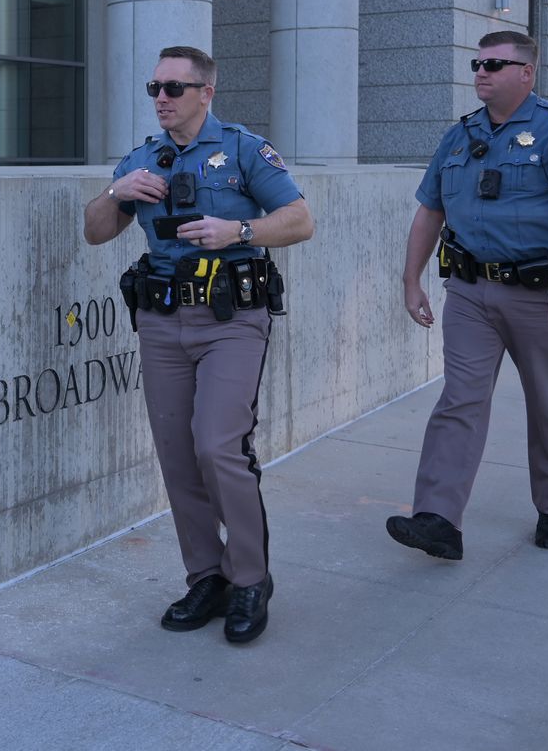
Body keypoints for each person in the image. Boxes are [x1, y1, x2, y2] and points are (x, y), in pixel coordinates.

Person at [82, 46, 314, 645]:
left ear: (205, 93)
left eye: (175, 88)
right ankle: (205, 576)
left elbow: (299, 218)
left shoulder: (242, 149)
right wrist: (115, 192)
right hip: (160, 322)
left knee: (218, 446)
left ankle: (250, 579)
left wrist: (237, 230)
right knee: (177, 455)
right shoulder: (143, 158)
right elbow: (95, 232)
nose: (162, 97)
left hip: (232, 319)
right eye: (155, 86)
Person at [389, 31, 548, 561]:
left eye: (495, 64)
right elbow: (430, 210)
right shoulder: (460, 135)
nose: (482, 72)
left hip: (541, 294)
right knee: (460, 400)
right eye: (477, 63)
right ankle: (438, 519)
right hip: (469, 291)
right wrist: (410, 278)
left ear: (526, 73)